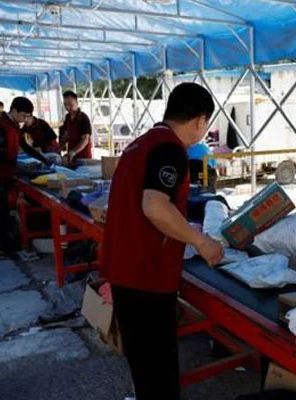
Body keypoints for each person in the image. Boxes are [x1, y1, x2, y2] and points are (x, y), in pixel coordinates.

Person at [100, 83, 224, 400]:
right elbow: (154, 205)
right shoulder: (169, 148)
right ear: (199, 120)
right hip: (146, 279)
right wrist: (201, 241)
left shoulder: (140, 144)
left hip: (126, 273)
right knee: (159, 378)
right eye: (206, 124)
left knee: (145, 371)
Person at [0, 97, 51, 258]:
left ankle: (1, 244)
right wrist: (15, 165)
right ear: (14, 110)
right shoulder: (1, 126)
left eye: (27, 116)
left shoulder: (13, 125)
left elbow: (24, 146)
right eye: (23, 115)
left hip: (5, 174)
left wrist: (43, 159)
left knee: (4, 210)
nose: (24, 119)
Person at [58, 91, 92, 165]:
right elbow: (66, 134)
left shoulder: (83, 118)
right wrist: (59, 147)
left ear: (76, 102)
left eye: (70, 104)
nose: (67, 107)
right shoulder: (67, 118)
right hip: (72, 157)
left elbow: (85, 139)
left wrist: (73, 152)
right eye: (65, 105)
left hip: (83, 158)